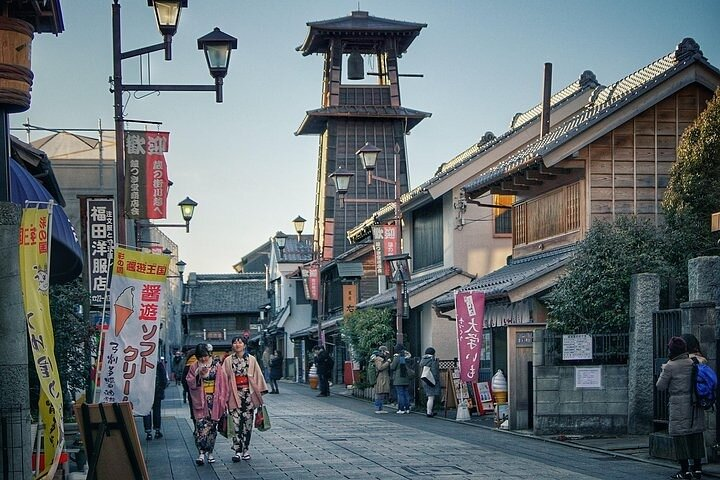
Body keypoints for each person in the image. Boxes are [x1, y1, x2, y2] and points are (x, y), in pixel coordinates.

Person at [656, 336, 706, 480]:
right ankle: (697, 469)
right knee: (696, 435)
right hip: (695, 403)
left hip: (678, 405)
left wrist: (664, 370)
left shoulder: (670, 366)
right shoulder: (694, 362)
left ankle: (685, 471)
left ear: (671, 350)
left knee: (680, 437)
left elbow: (660, 386)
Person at [220, 335, 268, 462]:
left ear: (245, 345)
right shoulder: (228, 360)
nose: (237, 345)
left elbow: (258, 374)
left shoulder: (251, 359)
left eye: (240, 342)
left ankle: (245, 449)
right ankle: (237, 450)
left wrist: (260, 391)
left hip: (248, 394)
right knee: (235, 423)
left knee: (247, 423)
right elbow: (223, 379)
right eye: (235, 342)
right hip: (234, 394)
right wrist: (223, 394)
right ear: (232, 345)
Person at [186, 343, 227, 466]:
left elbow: (223, 383)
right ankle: (201, 453)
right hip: (201, 399)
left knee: (212, 428)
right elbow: (189, 381)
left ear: (209, 354)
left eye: (204, 356)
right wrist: (198, 374)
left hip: (214, 400)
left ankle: (210, 452)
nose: (203, 359)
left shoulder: (217, 366)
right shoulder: (194, 366)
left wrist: (223, 400)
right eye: (200, 356)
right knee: (200, 427)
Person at [143, 358, 168, 440]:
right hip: (157, 391)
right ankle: (157, 431)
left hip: (145, 391)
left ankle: (148, 432)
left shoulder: (143, 363)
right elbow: (163, 379)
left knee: (146, 411)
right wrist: (162, 388)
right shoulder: (158, 364)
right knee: (157, 410)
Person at [390, 343, 413, 414]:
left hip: (398, 378)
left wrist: (391, 362)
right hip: (406, 377)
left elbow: (392, 367)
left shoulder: (397, 357)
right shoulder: (408, 356)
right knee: (406, 393)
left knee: (400, 394)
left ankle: (401, 409)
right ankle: (407, 408)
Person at [419, 347, 441, 417]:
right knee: (431, 397)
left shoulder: (423, 360)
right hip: (431, 379)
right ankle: (429, 412)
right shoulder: (432, 360)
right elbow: (434, 371)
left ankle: (429, 411)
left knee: (429, 396)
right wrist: (436, 380)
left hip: (425, 379)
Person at [372, 345, 392, 413]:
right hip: (381, 378)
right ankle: (378, 408)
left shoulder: (381, 358)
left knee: (381, 393)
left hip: (383, 377)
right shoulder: (378, 358)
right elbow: (380, 367)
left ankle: (380, 408)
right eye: (385, 352)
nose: (386, 354)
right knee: (380, 393)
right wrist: (388, 362)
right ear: (382, 351)